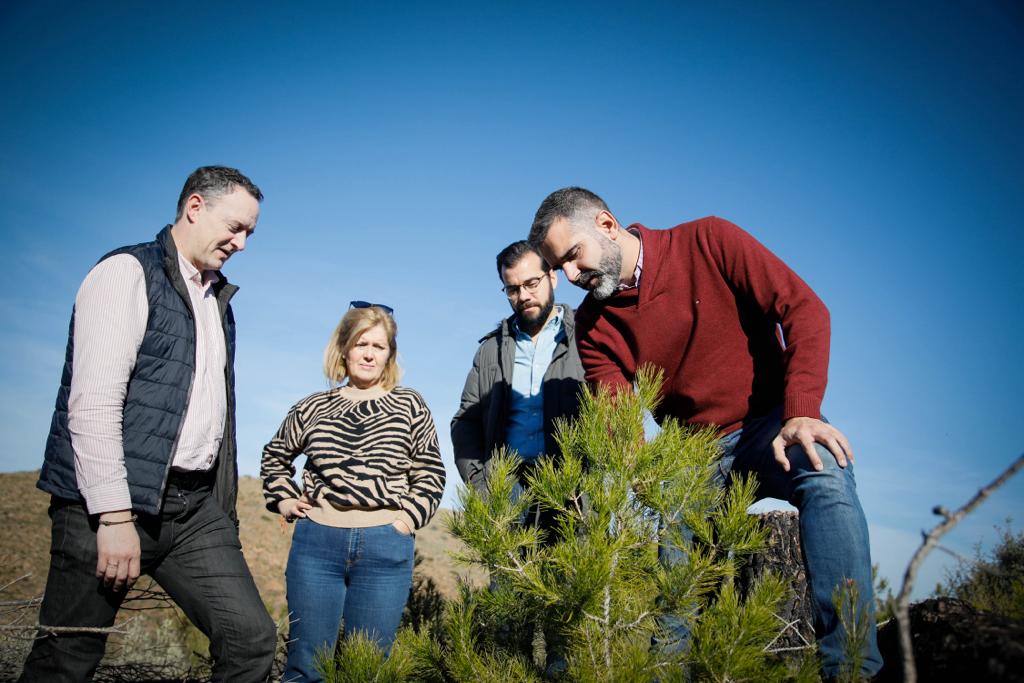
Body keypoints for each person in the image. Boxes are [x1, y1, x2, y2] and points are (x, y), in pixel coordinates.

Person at [528, 187, 882, 679]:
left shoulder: (709, 240)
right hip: (690, 452)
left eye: (572, 256)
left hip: (770, 426)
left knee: (828, 475)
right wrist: (639, 469)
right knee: (677, 570)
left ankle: (850, 670)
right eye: (558, 268)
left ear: (607, 225)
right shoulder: (591, 327)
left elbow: (804, 309)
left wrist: (802, 410)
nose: (569, 277)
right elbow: (617, 414)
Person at [22, 166, 277, 682]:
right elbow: (92, 404)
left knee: (251, 640)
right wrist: (113, 518)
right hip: (109, 505)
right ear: (195, 207)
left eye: (250, 232)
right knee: (68, 659)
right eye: (235, 226)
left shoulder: (218, 301)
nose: (242, 242)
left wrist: (222, 512)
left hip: (193, 510)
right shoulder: (126, 273)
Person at [261, 303, 445, 683]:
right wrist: (285, 498)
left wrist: (405, 520)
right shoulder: (313, 406)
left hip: (385, 546)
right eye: (361, 343)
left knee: (369, 669)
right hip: (316, 544)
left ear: (389, 354)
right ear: (344, 348)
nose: (369, 353)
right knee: (306, 666)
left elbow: (430, 472)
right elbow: (275, 456)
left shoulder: (410, 405)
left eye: (379, 346)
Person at [451, 240, 585, 526]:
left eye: (531, 283)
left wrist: (597, 484)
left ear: (552, 277)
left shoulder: (585, 338)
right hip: (507, 489)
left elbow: (612, 406)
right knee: (512, 573)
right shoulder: (490, 349)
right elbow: (465, 421)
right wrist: (481, 483)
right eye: (512, 289)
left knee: (573, 572)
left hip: (572, 489)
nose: (523, 295)